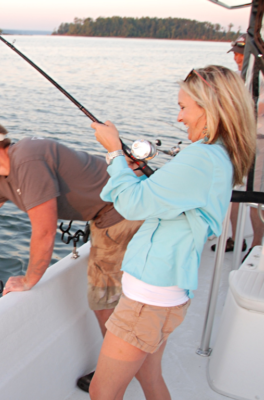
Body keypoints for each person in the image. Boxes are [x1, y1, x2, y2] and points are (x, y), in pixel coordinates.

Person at [0, 118, 142, 377]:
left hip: (122, 207)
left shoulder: (28, 160)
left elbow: (44, 232)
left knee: (104, 299)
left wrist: (30, 280)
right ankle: (121, 361)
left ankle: (116, 373)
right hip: (103, 213)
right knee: (104, 297)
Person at [89, 65, 256, 400]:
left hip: (148, 299)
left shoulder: (200, 158)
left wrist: (113, 153)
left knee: (101, 392)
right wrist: (131, 173)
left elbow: (133, 205)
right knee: (150, 380)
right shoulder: (217, 155)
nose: (179, 118)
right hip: (165, 291)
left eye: (183, 107)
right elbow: (159, 200)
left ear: (210, 109)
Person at [213, 33, 263, 254]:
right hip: (238, 141)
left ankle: (256, 245)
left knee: (254, 194)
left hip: (259, 141)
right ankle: (234, 237)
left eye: (241, 54)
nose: (237, 58)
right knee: (233, 191)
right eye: (236, 54)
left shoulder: (259, 79)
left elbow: (256, 110)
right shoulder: (236, 78)